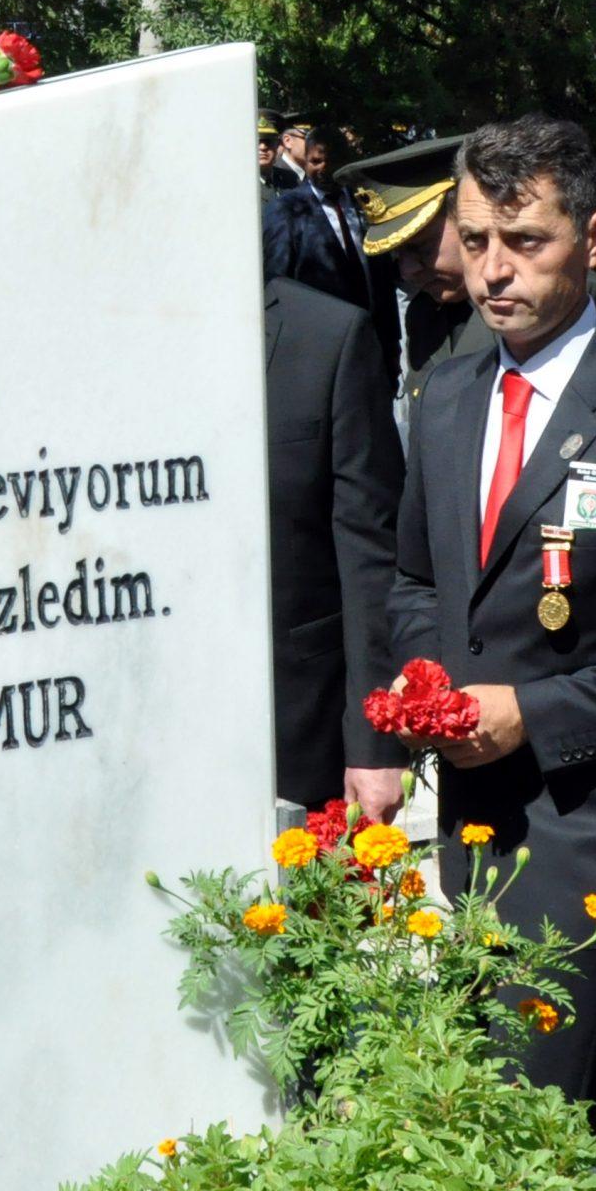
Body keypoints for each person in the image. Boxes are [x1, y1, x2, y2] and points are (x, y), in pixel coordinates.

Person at [366, 115, 596, 1177]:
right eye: (473, 241)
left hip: (593, 835)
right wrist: (436, 684)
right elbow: (417, 579)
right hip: (476, 826)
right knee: (497, 1129)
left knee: (563, 1141)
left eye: (524, 240)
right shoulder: (446, 395)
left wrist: (533, 711)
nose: (492, 270)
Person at [346, 136, 596, 434]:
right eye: (397, 255)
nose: (408, 270)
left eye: (421, 248)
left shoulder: (562, 296)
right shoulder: (424, 315)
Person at [262, 272, 404, 819]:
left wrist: (376, 743)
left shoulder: (326, 335)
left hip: (300, 733)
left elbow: (371, 554)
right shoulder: (102, 327)